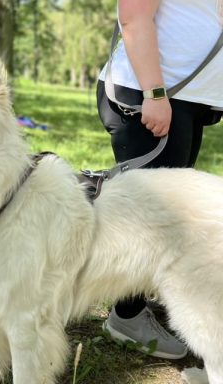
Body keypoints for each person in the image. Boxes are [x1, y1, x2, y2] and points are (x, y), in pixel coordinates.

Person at [96, 0, 223, 359]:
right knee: (152, 218)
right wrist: (154, 93)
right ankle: (127, 316)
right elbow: (134, 16)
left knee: (171, 214)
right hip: (153, 95)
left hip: (185, 99)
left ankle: (142, 297)